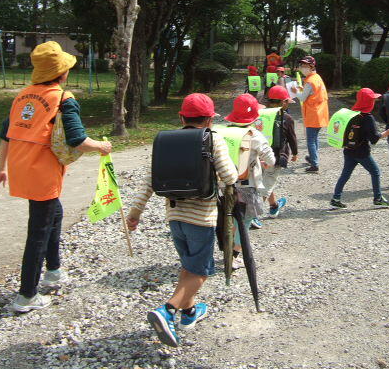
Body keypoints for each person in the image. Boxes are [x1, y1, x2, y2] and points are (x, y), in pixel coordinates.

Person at [0, 41, 112, 313]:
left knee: (54, 213)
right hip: (42, 172)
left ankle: (54, 271)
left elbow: (6, 135)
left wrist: (1, 169)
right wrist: (102, 147)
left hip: (20, 168)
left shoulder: (22, 96)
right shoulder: (63, 99)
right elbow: (78, 139)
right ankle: (26, 295)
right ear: (61, 72)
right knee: (38, 231)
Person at [126, 93, 238, 347]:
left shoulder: (166, 142)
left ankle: (189, 312)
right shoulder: (213, 139)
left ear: (181, 117)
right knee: (200, 271)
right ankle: (167, 310)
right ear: (209, 120)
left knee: (188, 266)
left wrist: (135, 213)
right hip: (201, 218)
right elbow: (230, 177)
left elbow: (150, 181)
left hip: (175, 218)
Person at [222, 94, 275, 251]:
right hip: (247, 184)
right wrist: (261, 161)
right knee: (245, 219)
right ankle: (235, 252)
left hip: (225, 183)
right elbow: (271, 160)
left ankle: (229, 247)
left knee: (230, 216)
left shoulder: (225, 132)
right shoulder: (255, 135)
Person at [330, 88, 389, 210]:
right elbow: (374, 139)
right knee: (375, 172)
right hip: (362, 152)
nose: (374, 102)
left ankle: (336, 198)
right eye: (372, 100)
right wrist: (387, 133)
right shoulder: (368, 118)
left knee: (345, 174)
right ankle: (378, 198)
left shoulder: (350, 114)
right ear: (369, 102)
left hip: (349, 150)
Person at [261, 85, 298, 218]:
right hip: (276, 156)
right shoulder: (287, 118)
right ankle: (254, 214)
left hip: (259, 155)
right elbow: (292, 138)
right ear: (283, 102)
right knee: (267, 182)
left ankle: (274, 206)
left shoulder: (261, 114)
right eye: (287, 102)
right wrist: (295, 153)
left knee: (265, 180)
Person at [295, 55, 329, 173]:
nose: (303, 68)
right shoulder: (317, 77)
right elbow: (311, 93)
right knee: (314, 139)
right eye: (302, 65)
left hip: (313, 114)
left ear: (312, 66)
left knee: (310, 140)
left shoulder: (310, 81)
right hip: (320, 113)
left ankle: (314, 164)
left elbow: (302, 97)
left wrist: (295, 91)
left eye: (305, 66)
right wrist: (302, 89)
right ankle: (313, 158)